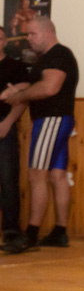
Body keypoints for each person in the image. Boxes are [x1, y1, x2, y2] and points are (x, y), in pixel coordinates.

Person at [0, 16, 78, 254]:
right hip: (56, 120)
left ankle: (31, 235)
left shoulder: (58, 55)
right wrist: (19, 89)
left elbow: (49, 87)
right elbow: (38, 84)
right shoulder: (49, 58)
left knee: (36, 174)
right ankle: (60, 232)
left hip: (51, 120)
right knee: (57, 176)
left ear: (48, 32)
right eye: (27, 34)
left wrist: (17, 96)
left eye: (33, 34)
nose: (29, 39)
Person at [0, 26, 30, 246]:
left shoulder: (15, 67)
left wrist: (8, 122)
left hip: (3, 127)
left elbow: (23, 96)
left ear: (5, 41)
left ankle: (10, 230)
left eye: (0, 38)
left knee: (8, 179)